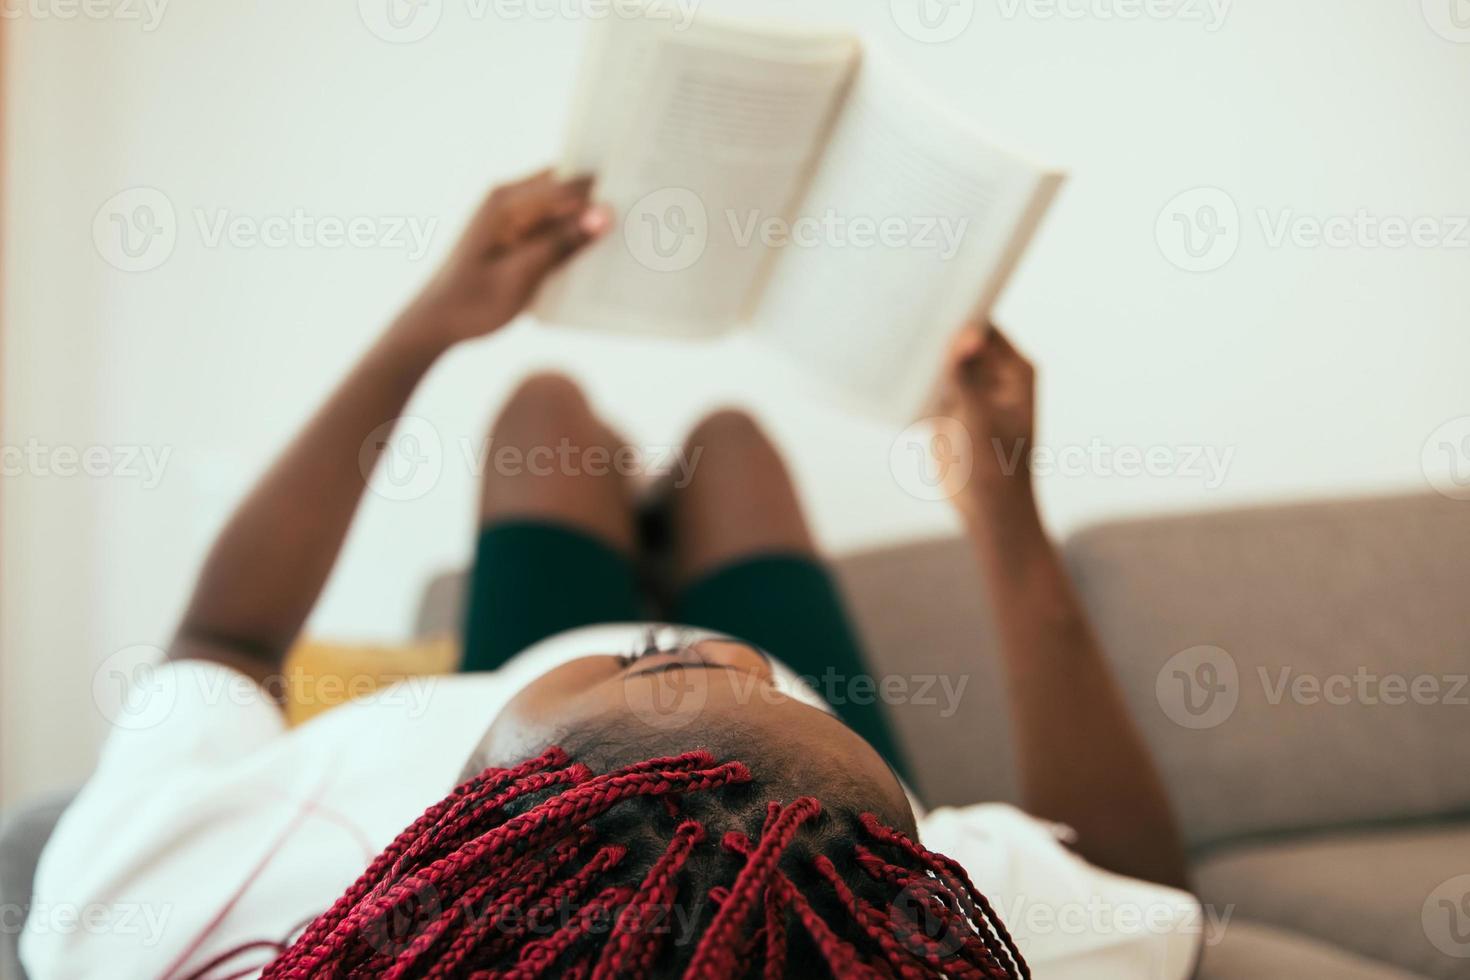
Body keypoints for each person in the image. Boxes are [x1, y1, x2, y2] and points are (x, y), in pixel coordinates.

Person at [22, 171, 1201, 979]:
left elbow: (224, 642)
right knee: (733, 441)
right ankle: (704, 569)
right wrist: (1002, 506)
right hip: (712, 763)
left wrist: (427, 325)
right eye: (755, 686)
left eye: (657, 658)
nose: (708, 656)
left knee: (547, 410)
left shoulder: (147, 922)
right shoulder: (894, 917)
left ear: (470, 826)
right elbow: (1132, 892)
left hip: (526, 677)